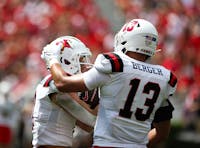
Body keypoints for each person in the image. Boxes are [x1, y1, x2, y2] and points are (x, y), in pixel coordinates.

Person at [41, 19, 178, 148]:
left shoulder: (115, 64)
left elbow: (62, 83)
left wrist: (52, 58)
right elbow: (162, 133)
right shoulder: (164, 77)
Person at [32, 36, 98, 148]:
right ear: (66, 61)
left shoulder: (57, 85)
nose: (86, 66)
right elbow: (91, 120)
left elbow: (87, 127)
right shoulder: (54, 84)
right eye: (81, 60)